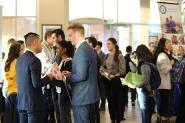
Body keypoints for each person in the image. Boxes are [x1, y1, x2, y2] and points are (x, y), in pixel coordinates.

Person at [55, 23, 100, 123]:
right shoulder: (89, 49)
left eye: (70, 35)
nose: (69, 38)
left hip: (82, 97)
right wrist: (71, 73)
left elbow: (81, 76)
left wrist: (64, 77)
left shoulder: (81, 50)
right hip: (90, 96)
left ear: (78, 34)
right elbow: (85, 72)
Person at [16, 32, 53, 123]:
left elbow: (26, 79)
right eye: (40, 42)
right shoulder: (34, 60)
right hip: (33, 104)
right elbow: (36, 84)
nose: (42, 45)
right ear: (35, 43)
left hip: (21, 102)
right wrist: (49, 76)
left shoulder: (19, 59)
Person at [100, 38, 126, 123]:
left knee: (116, 101)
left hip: (116, 81)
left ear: (114, 44)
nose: (107, 45)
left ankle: (117, 119)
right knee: (110, 101)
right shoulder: (107, 55)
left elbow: (122, 71)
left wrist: (113, 76)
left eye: (109, 44)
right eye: (107, 44)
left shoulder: (119, 56)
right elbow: (104, 68)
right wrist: (103, 71)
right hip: (107, 80)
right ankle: (112, 119)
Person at [131, 45, 154, 123]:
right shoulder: (151, 60)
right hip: (151, 89)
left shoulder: (144, 64)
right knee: (149, 111)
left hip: (144, 90)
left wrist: (135, 85)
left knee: (144, 111)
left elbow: (145, 80)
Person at [52, 41, 74, 123]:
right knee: (61, 116)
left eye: (58, 48)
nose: (56, 50)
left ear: (64, 50)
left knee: (65, 117)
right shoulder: (62, 61)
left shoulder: (68, 62)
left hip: (64, 94)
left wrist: (53, 77)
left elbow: (63, 82)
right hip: (60, 93)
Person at [37, 31, 56, 123]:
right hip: (45, 75)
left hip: (51, 74)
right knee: (46, 100)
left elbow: (53, 60)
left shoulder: (51, 47)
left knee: (51, 100)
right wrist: (54, 66)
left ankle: (51, 118)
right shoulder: (43, 47)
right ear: (47, 37)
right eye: (52, 38)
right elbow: (46, 61)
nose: (54, 40)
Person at [154, 38, 174, 122]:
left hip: (166, 83)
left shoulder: (166, 54)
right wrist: (171, 64)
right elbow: (163, 69)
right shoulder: (162, 55)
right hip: (163, 83)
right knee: (164, 101)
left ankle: (162, 117)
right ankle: (163, 118)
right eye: (167, 43)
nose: (169, 44)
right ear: (163, 45)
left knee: (165, 101)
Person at [3, 42, 21, 123]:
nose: (23, 52)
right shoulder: (17, 62)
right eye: (22, 49)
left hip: (9, 93)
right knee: (15, 119)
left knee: (8, 119)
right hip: (16, 93)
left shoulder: (8, 62)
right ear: (18, 51)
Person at [95, 41, 106, 111]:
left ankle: (103, 105)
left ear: (99, 46)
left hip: (101, 75)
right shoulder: (95, 54)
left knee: (102, 91)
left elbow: (103, 65)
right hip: (96, 75)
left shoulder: (103, 55)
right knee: (98, 91)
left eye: (96, 46)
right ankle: (99, 105)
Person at [176, 55, 185, 123]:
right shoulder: (183, 61)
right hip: (183, 83)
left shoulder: (182, 60)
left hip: (181, 83)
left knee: (182, 102)